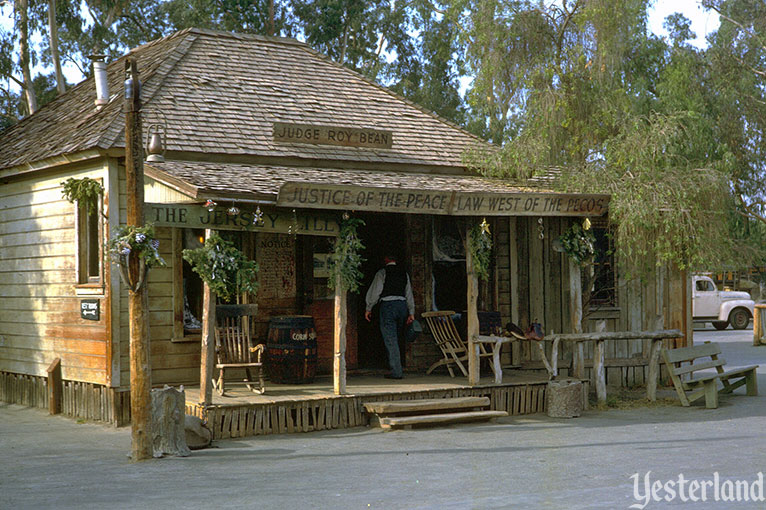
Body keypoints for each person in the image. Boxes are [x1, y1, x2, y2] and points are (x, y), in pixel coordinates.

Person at [365, 254, 415, 379]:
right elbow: (409, 293)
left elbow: (375, 291)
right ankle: (395, 365)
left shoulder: (382, 273)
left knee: (390, 339)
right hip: (402, 306)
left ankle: (396, 371)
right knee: (396, 338)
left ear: (385, 259)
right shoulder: (404, 274)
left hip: (388, 306)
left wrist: (369, 307)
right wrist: (411, 312)